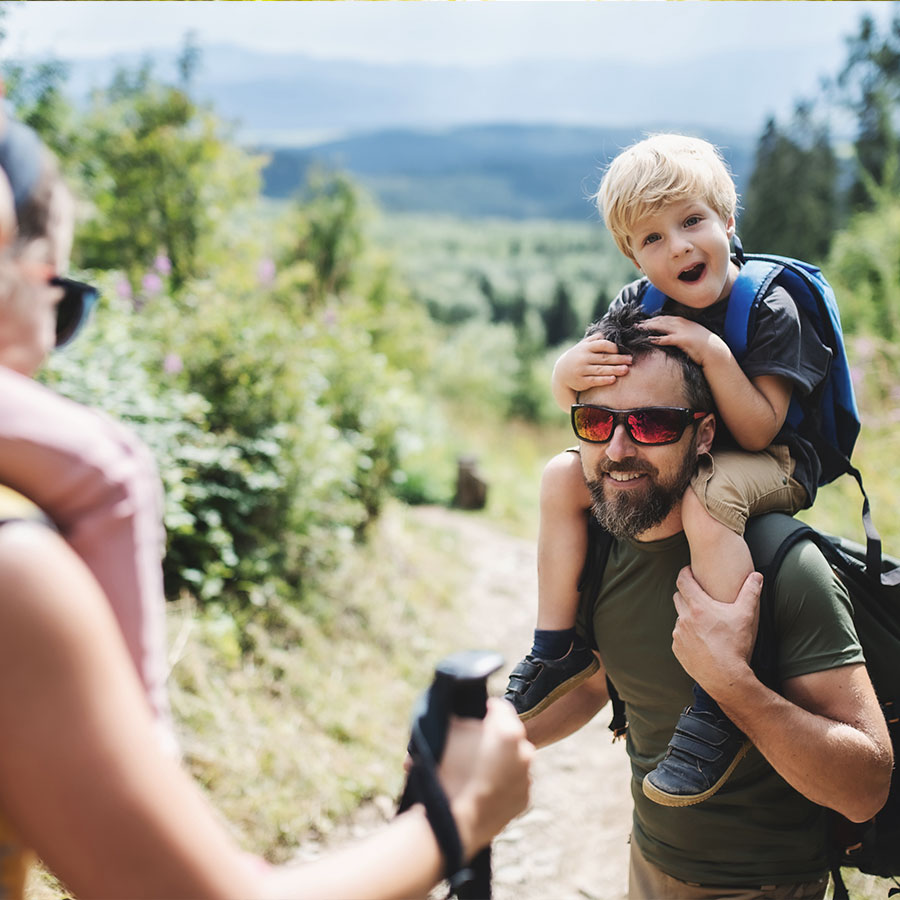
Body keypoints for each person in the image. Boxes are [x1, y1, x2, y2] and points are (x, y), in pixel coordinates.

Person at [0, 117, 533, 899]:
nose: (51, 351)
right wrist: (460, 812)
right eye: (63, 302)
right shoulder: (18, 571)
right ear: (23, 274)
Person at [505, 133, 832, 806]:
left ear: (727, 221)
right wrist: (565, 373)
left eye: (691, 222)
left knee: (708, 495)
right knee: (560, 476)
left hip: (777, 459)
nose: (678, 246)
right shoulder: (638, 303)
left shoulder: (769, 305)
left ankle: (720, 692)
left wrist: (712, 353)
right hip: (691, 444)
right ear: (632, 255)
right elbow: (594, 399)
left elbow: (760, 428)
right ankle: (555, 645)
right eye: (652, 239)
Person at [525, 302, 891, 899]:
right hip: (647, 865)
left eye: (652, 424)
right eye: (595, 422)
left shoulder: (782, 566)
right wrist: (478, 747)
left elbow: (866, 785)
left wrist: (733, 686)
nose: (617, 449)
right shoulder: (600, 545)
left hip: (767, 886)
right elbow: (599, 683)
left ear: (706, 434)